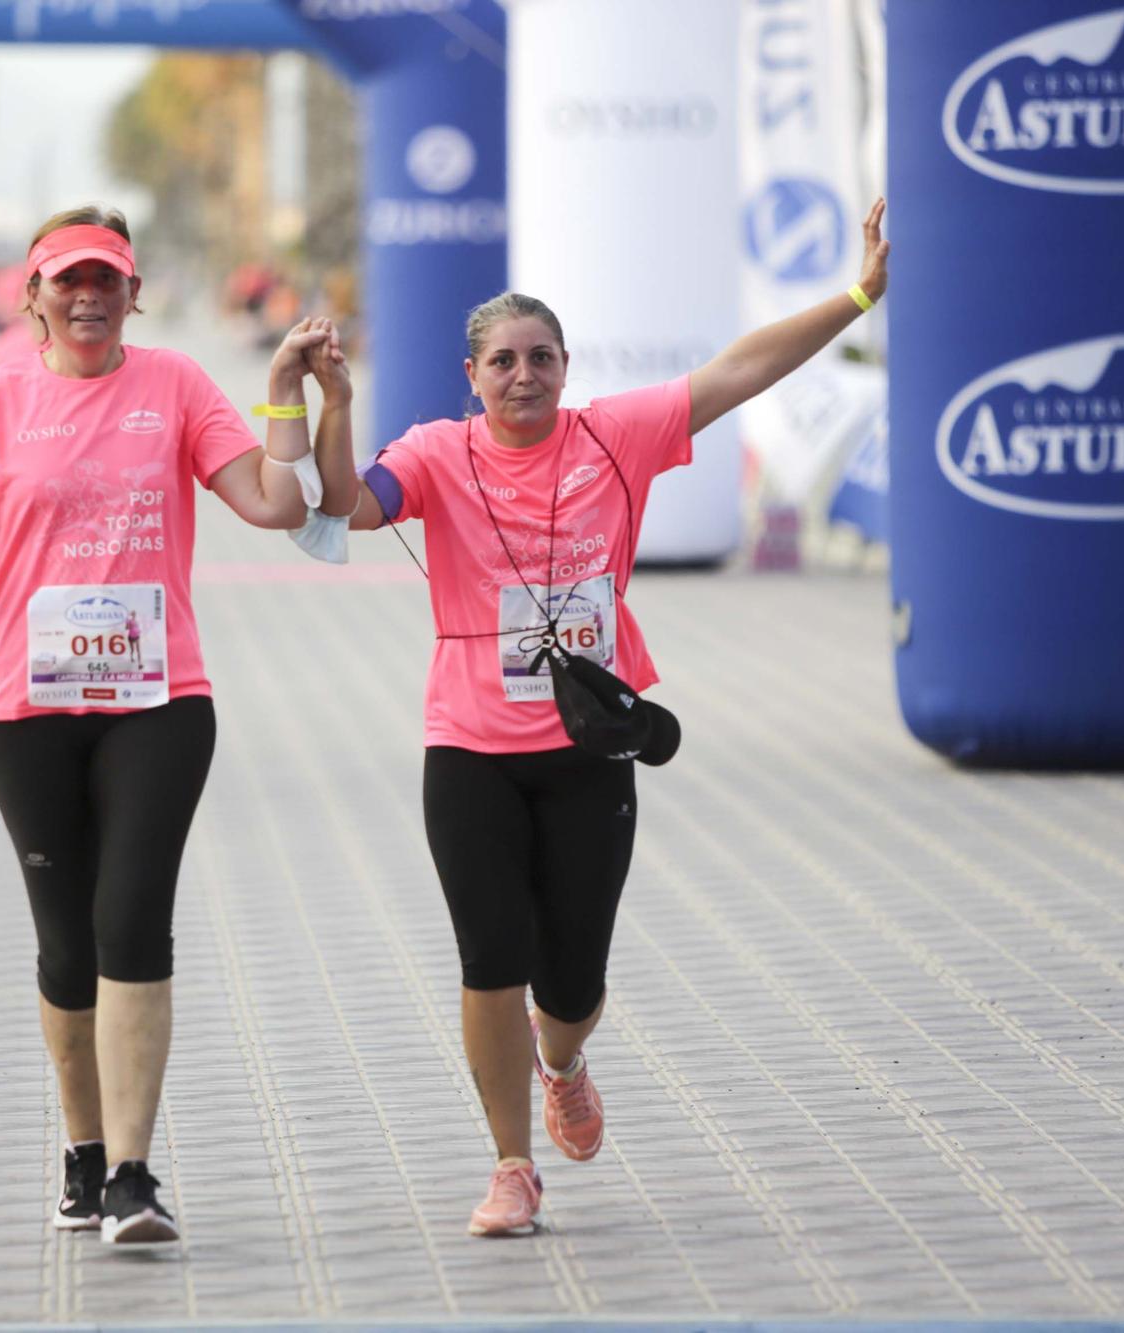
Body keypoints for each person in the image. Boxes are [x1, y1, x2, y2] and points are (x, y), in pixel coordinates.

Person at [299, 200, 891, 1238]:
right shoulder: (436, 453)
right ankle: (509, 1165)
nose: (521, 376)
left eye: (540, 358)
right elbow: (342, 505)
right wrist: (333, 402)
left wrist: (858, 295)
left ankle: (560, 1060)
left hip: (586, 747)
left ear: (565, 369)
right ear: (471, 375)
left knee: (569, 977)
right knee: (488, 956)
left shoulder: (615, 437)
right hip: (469, 747)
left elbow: (742, 369)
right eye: (501, 362)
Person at [0, 205, 337, 1245]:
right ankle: (81, 1152)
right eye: (66, 280)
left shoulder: (175, 386)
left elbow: (274, 504)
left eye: (106, 279)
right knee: (64, 949)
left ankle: (133, 1174)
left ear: (133, 295)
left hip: (159, 701)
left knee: (131, 920)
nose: (87, 295)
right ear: (32, 297)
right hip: (26, 709)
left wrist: (279, 396)